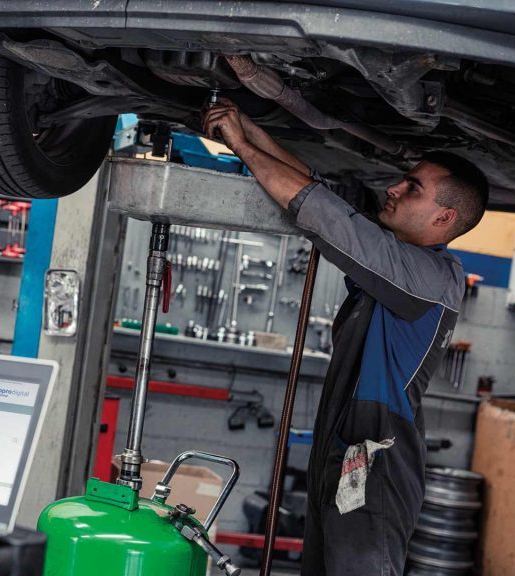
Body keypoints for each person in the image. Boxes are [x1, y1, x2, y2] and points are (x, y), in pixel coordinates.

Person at [203, 101, 488, 575]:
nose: (394, 187)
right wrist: (246, 129)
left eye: (412, 187)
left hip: (375, 463)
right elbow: (321, 198)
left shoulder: (428, 277)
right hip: (347, 448)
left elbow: (323, 214)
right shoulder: (398, 262)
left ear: (444, 218)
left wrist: (238, 145)